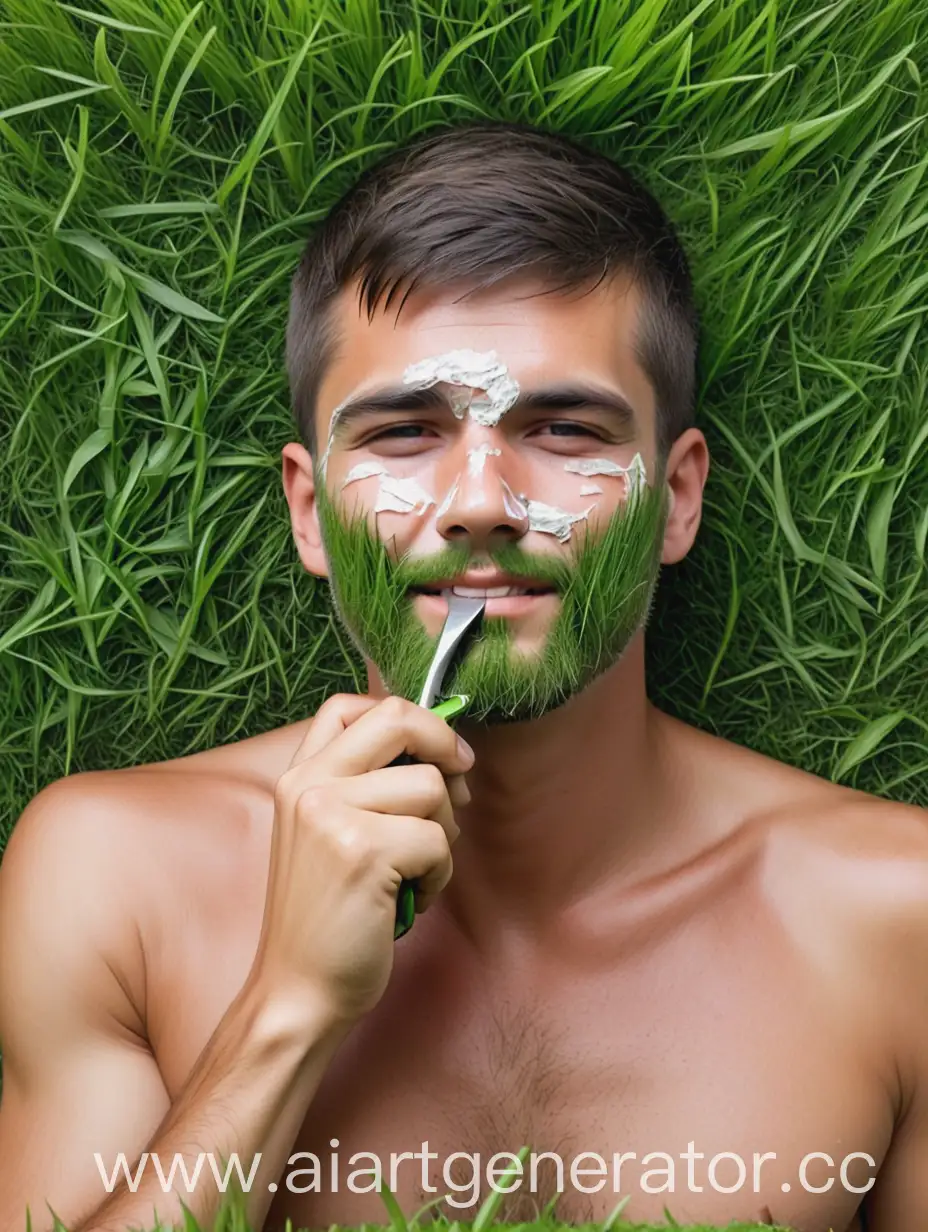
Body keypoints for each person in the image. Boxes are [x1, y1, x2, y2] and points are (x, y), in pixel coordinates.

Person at [0, 120, 926, 1232]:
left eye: (564, 427)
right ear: (309, 509)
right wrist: (285, 1010)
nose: (482, 498)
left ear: (676, 498)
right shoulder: (116, 881)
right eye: (403, 432)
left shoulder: (892, 920)